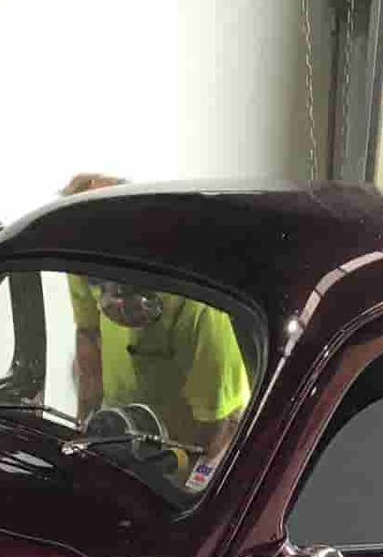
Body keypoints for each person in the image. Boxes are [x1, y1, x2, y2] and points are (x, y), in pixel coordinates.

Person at [59, 173, 251, 493]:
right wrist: (84, 432)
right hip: (131, 419)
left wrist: (182, 484)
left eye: (119, 285)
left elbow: (218, 424)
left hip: (204, 425)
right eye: (98, 283)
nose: (113, 301)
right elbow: (89, 335)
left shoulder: (198, 308)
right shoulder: (82, 258)